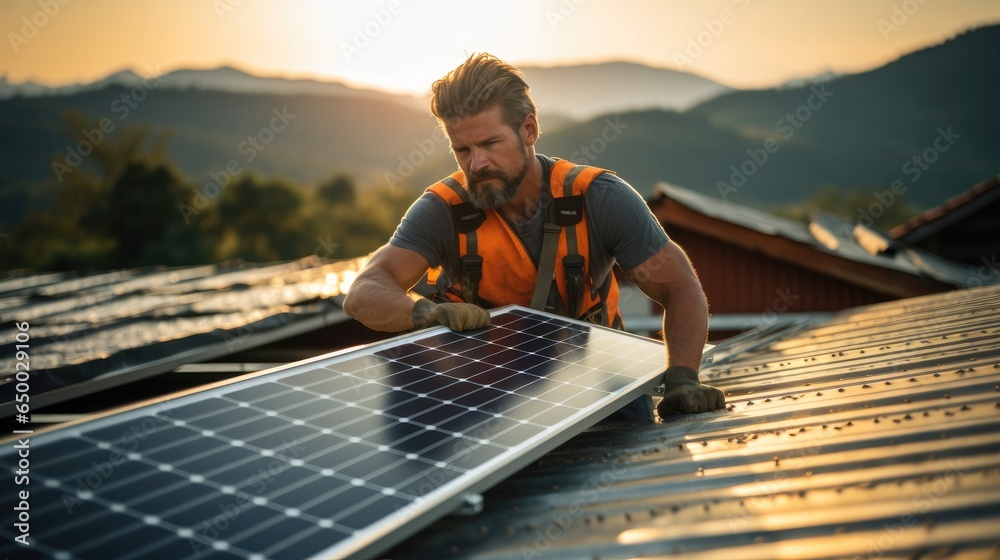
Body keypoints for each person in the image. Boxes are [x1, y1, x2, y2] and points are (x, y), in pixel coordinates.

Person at [343, 53, 725, 421]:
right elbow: (364, 292)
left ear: (529, 129)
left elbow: (679, 286)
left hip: (597, 389)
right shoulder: (442, 210)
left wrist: (681, 379)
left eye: (490, 144)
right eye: (462, 149)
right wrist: (424, 313)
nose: (477, 163)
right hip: (486, 400)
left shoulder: (599, 197)